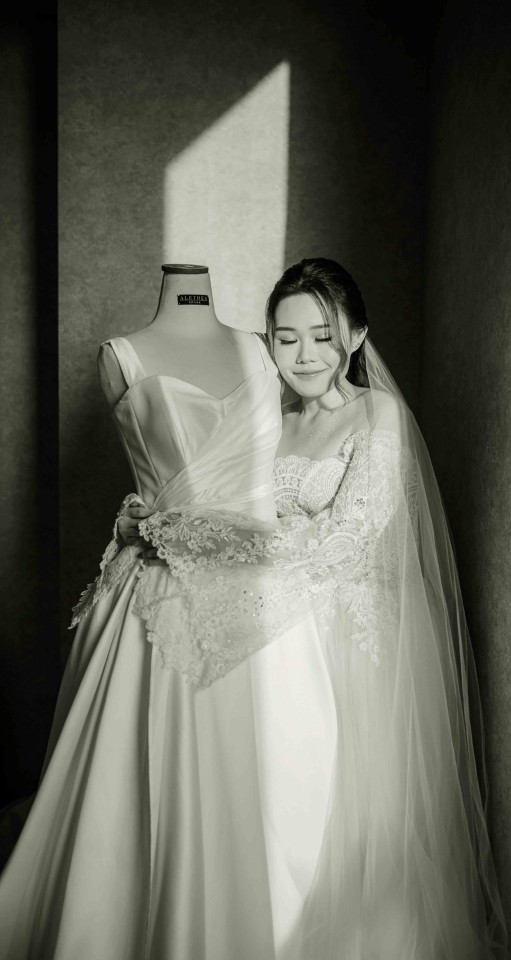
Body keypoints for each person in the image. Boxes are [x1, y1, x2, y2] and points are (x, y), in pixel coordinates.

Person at [119, 257, 510, 959]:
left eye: (323, 336)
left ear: (356, 336)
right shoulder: (271, 419)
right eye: (286, 337)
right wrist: (158, 520)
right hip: (279, 618)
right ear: (267, 340)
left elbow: (347, 538)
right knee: (266, 797)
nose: (303, 355)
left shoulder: (378, 414)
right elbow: (214, 499)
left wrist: (200, 538)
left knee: (343, 812)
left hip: (346, 632)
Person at [0, 264, 337, 960]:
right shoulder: (121, 357)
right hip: (155, 596)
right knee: (135, 790)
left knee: (274, 785)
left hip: (263, 605)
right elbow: (158, 483)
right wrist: (140, 518)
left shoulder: (260, 350)